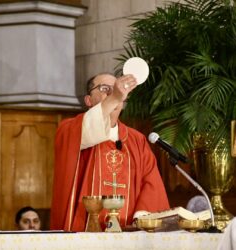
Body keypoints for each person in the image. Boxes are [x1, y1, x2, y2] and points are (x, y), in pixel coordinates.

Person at [50, 73, 169, 231]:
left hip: (128, 237)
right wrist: (114, 96)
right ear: (88, 100)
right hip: (82, 234)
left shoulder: (137, 141)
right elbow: (87, 129)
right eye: (105, 89)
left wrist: (140, 221)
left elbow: (151, 185)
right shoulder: (69, 129)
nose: (113, 94)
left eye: (117, 91)